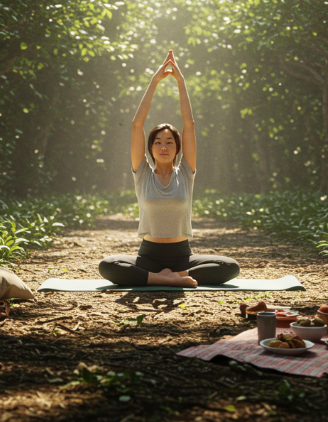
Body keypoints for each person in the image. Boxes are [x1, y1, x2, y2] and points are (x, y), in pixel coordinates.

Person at [98, 50, 240, 287]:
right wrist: (154, 82)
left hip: (182, 256)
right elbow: (136, 124)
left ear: (177, 148)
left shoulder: (186, 172)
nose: (163, 147)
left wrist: (181, 83)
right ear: (150, 147)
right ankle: (168, 279)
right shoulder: (142, 173)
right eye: (158, 142)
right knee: (108, 265)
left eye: (170, 142)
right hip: (148, 256)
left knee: (230, 267)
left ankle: (165, 278)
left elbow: (189, 123)